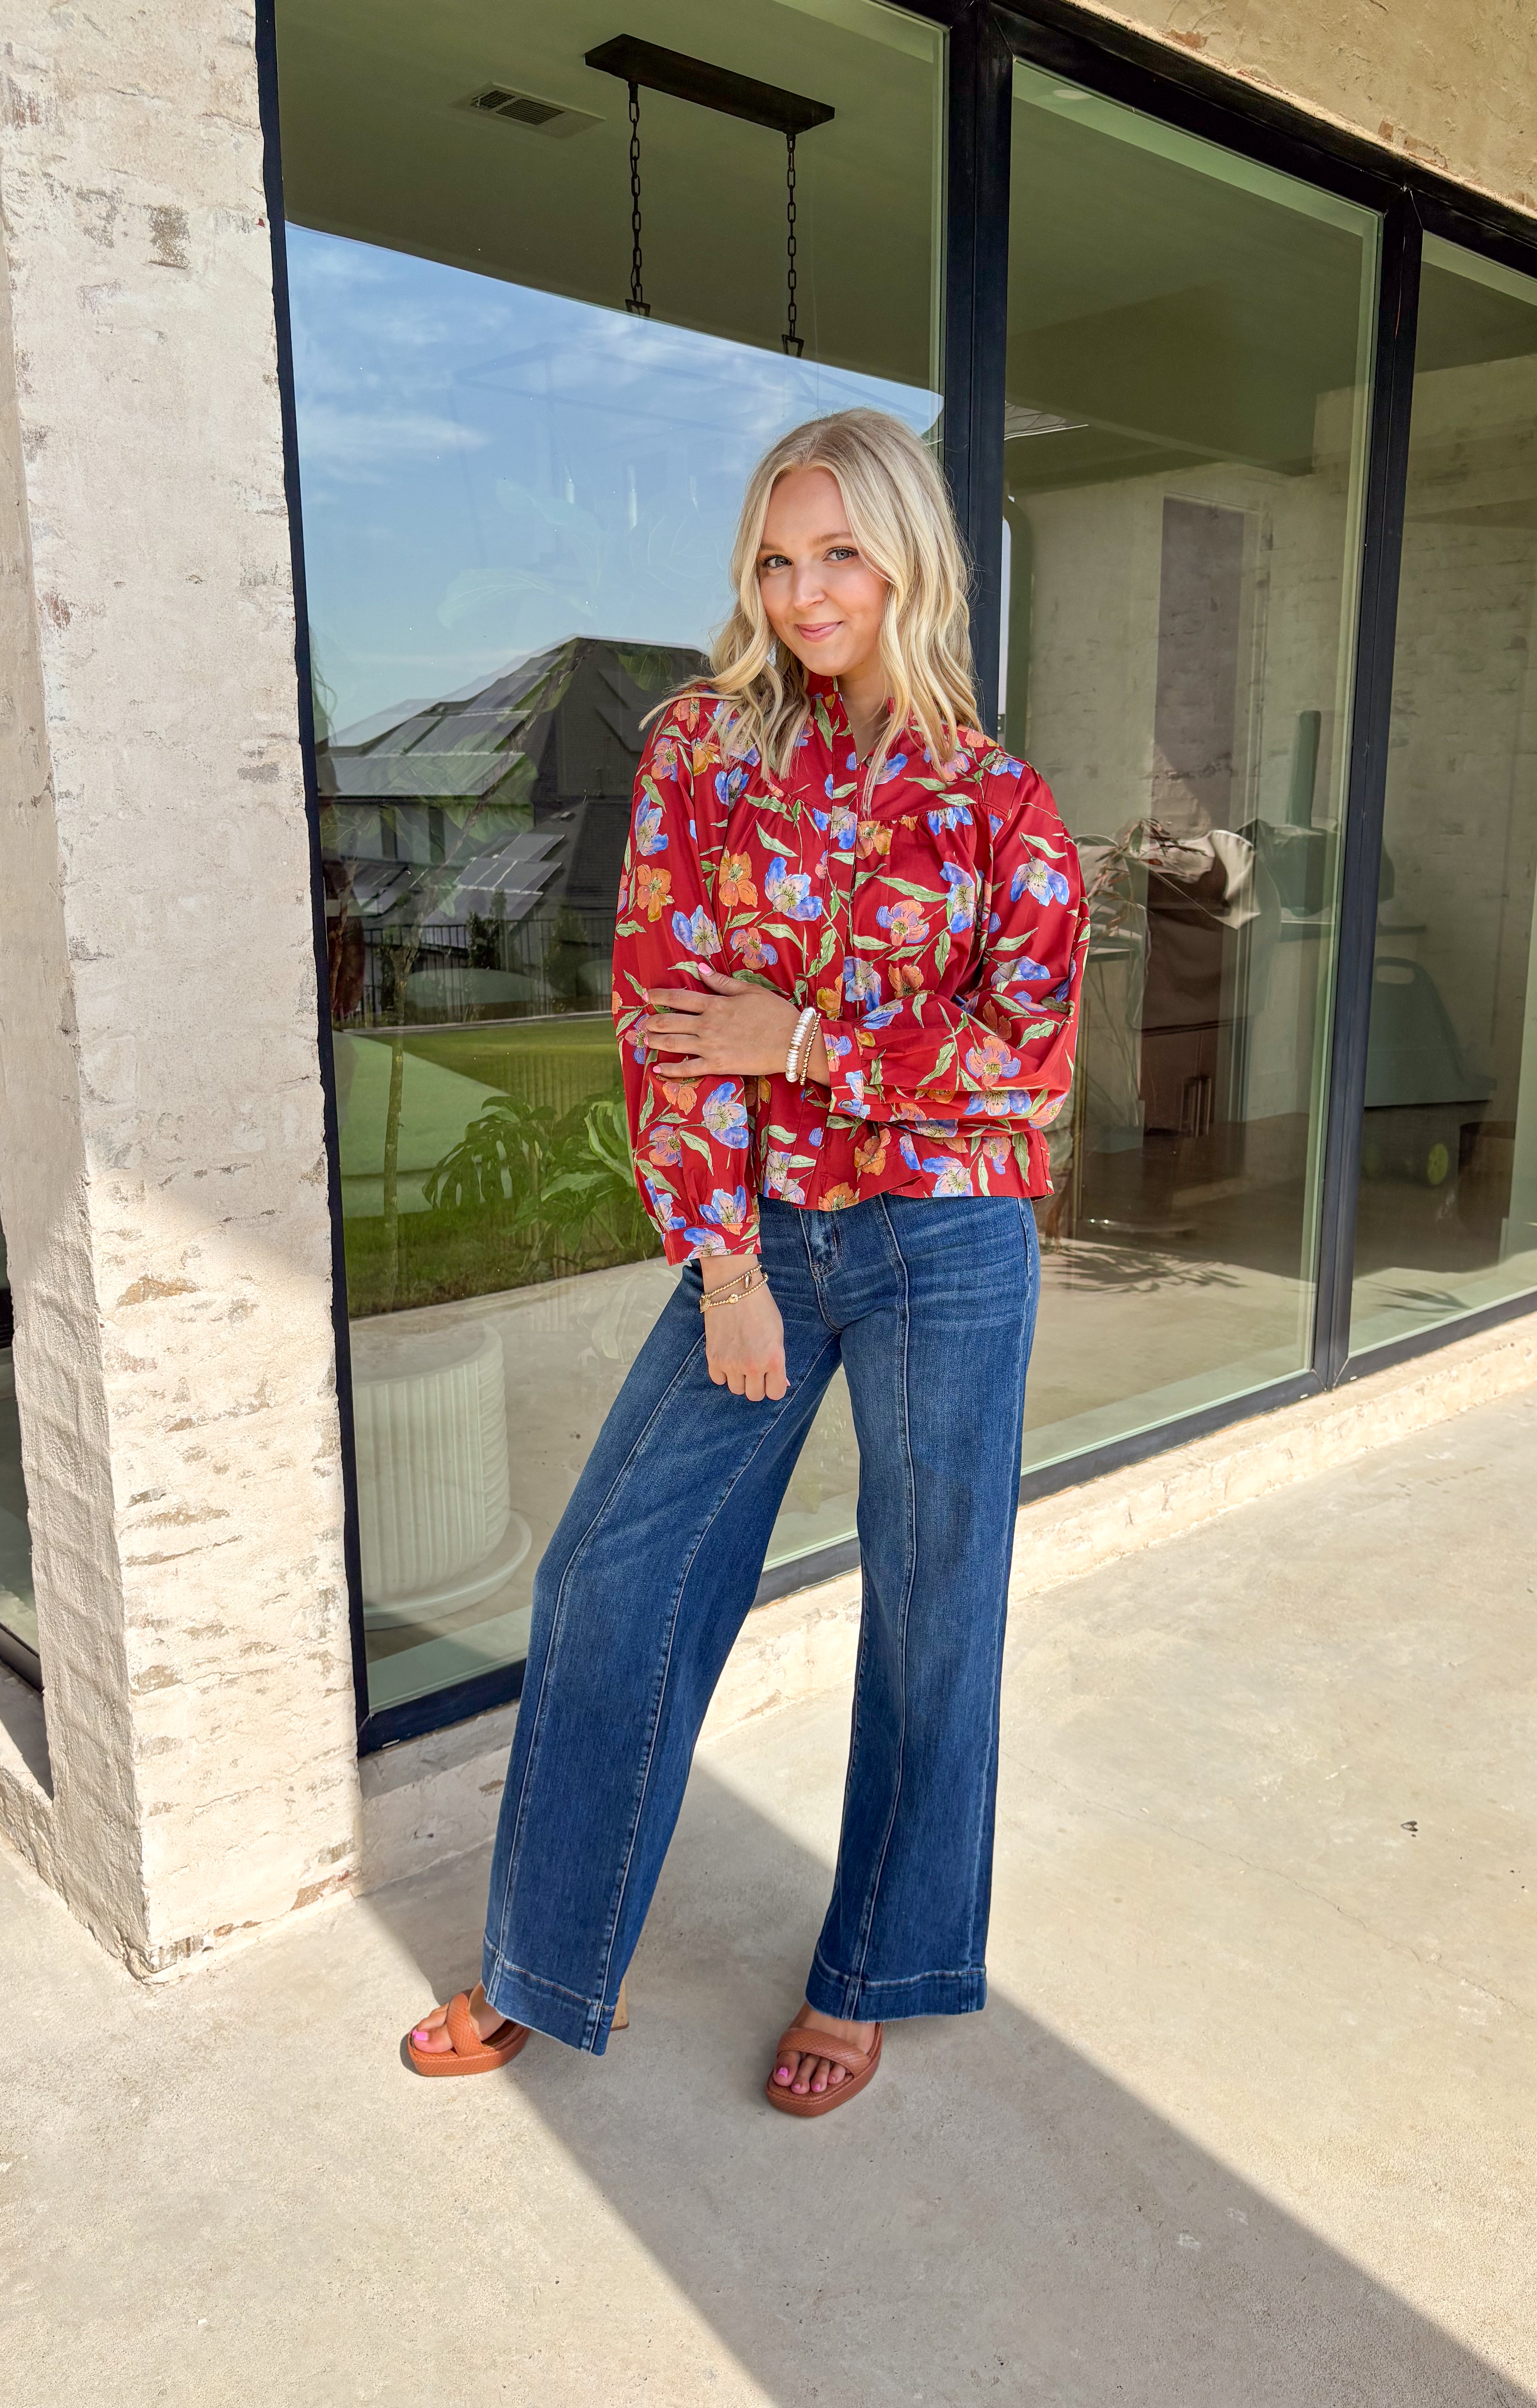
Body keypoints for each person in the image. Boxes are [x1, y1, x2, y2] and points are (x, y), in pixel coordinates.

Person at [403, 407, 1089, 2118]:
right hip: (766, 1235)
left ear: (907, 559)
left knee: (937, 1617)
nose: (804, 592)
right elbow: (665, 1030)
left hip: (952, 1240)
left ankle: (871, 1971)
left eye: (839, 553)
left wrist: (811, 1041)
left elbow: (1035, 1060)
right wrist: (724, 1269)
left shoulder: (999, 800)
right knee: (610, 1581)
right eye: (777, 561)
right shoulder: (705, 750)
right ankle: (543, 1961)